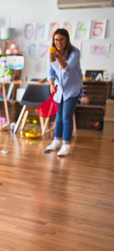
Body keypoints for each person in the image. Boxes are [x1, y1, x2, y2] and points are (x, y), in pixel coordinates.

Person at [46, 28, 83, 157]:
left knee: (67, 115)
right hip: (59, 89)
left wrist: (57, 56)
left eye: (61, 39)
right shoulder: (51, 54)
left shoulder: (75, 53)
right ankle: (57, 140)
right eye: (56, 40)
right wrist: (51, 84)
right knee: (59, 116)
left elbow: (66, 69)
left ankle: (66, 144)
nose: (58, 42)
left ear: (67, 40)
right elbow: (50, 72)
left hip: (73, 88)